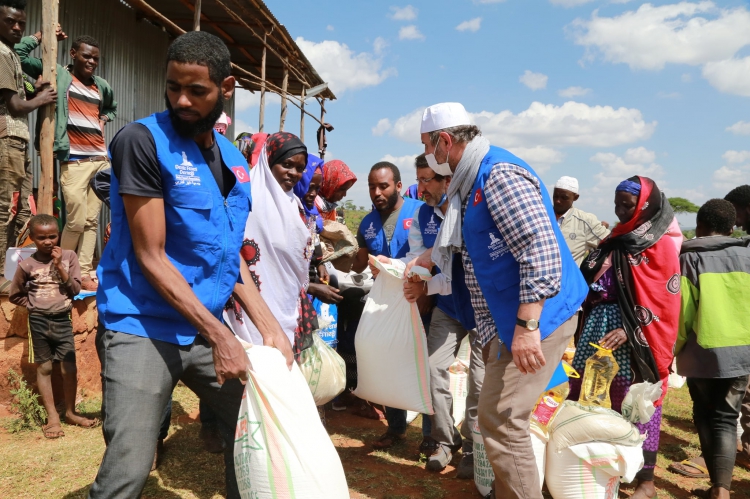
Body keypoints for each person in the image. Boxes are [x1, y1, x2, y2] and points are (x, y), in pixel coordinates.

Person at [89, 32, 290, 498]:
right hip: (142, 324)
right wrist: (223, 337)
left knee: (254, 428)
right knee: (130, 466)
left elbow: (226, 256)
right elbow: (150, 256)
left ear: (227, 86)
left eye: (197, 90)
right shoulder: (141, 141)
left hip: (201, 326)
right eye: (173, 86)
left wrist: (269, 326)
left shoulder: (237, 162)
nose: (182, 99)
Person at [411, 102, 587, 499]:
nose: (426, 157)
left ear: (444, 141)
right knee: (500, 420)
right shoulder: (468, 182)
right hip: (507, 321)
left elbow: (539, 250)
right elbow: (475, 256)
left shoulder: (498, 175)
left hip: (539, 318)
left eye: (426, 146)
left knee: (502, 421)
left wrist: (526, 328)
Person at [575, 176, 682, 499]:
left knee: (635, 403)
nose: (621, 211)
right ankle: (599, 467)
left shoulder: (659, 244)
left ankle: (645, 481)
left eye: (628, 205)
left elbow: (664, 298)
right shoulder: (616, 239)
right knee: (586, 395)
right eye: (617, 204)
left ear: (646, 206)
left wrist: (630, 327)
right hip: (596, 328)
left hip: (634, 338)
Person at [383, 153, 485, 476]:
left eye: (428, 180)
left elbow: (458, 271)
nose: (422, 187)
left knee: (479, 382)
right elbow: (416, 257)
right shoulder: (422, 217)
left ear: (447, 181)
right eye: (420, 180)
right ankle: (444, 440)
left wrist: (427, 288)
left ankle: (472, 447)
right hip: (449, 306)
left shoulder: (469, 213)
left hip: (481, 308)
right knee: (433, 368)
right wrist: (395, 269)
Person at [17, 30, 117, 291]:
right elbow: (19, 55)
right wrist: (40, 36)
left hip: (99, 160)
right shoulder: (58, 74)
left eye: (95, 58)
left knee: (92, 221)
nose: (92, 62)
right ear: (73, 54)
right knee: (75, 220)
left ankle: (82, 272)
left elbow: (111, 108)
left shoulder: (101, 85)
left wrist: (104, 120)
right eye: (86, 56)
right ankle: (60, 268)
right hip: (74, 161)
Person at [674, 199, 750, 499]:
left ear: (700, 226)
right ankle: (721, 490)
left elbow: (683, 313)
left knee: (705, 415)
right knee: (727, 419)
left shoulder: (690, 259)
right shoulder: (747, 255)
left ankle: (718, 490)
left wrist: (675, 349)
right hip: (743, 352)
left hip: (703, 354)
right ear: (732, 228)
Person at [352, 161, 426, 449]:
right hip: (387, 303)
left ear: (398, 185)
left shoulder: (419, 213)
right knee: (389, 359)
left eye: (383, 186)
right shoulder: (368, 223)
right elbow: (358, 262)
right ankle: (396, 430)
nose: (377, 192)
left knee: (425, 363)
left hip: (420, 298)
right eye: (372, 186)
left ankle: (431, 437)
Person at [225, 131, 315, 362]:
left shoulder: (294, 204)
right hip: (250, 301)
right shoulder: (247, 197)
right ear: (269, 160)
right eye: (287, 165)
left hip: (285, 302)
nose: (294, 173)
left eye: (300, 168)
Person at [9, 214, 96, 438]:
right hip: (38, 321)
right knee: (45, 367)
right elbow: (15, 295)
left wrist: (59, 265)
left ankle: (71, 412)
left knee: (69, 368)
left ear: (58, 235)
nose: (48, 242)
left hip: (62, 320)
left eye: (52, 236)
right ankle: (52, 418)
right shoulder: (27, 265)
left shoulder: (69, 256)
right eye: (41, 238)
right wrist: (33, 305)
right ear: (32, 238)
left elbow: (75, 290)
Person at [0, 0, 57, 294]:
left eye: (21, 22)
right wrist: (41, 98)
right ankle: (1, 273)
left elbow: (22, 94)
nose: (17, 27)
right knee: (5, 208)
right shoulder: (0, 53)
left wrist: (36, 90)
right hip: (6, 137)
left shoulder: (11, 54)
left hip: (18, 138)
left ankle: (13, 271)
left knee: (23, 209)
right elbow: (15, 104)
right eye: (11, 22)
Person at [552, 175, 610, 265]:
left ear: (575, 197)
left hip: (568, 278)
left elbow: (610, 244)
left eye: (564, 198)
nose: (558, 201)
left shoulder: (585, 222)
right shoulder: (543, 216)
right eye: (555, 196)